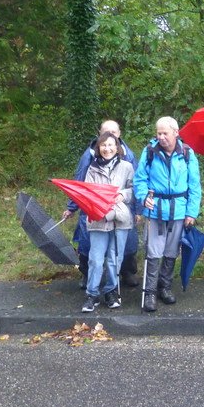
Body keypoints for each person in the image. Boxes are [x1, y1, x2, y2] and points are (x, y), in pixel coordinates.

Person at [133, 117, 202, 312]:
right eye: (159, 133)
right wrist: (143, 197)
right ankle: (150, 292)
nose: (161, 137)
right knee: (153, 251)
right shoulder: (149, 152)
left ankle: (165, 287)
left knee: (171, 251)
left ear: (176, 133)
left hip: (178, 210)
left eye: (165, 133)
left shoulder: (187, 153)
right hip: (155, 209)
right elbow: (140, 179)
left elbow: (194, 185)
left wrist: (191, 212)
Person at [63, 120, 140, 290]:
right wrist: (71, 207)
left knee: (127, 243)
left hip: (121, 209)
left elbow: (136, 185)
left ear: (119, 134)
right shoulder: (88, 157)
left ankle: (127, 272)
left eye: (114, 132)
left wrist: (138, 210)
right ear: (99, 135)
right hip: (94, 208)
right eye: (106, 132)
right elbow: (80, 182)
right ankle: (87, 274)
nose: (110, 136)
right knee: (87, 244)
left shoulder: (128, 156)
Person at [79, 132, 134, 312]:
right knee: (95, 259)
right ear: (98, 148)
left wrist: (123, 195)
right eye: (103, 145)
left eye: (111, 145)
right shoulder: (92, 169)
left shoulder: (126, 166)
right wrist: (100, 204)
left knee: (114, 259)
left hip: (120, 219)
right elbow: (88, 193)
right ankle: (92, 294)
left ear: (117, 147)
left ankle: (111, 291)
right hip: (98, 219)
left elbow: (134, 189)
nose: (107, 148)